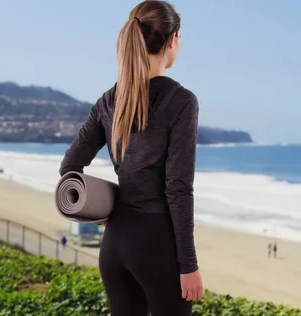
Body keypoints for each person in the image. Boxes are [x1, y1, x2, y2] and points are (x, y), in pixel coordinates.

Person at [57, 1, 202, 315]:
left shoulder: (109, 100)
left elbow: (69, 167)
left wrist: (103, 212)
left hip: (115, 246)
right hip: (156, 246)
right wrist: (188, 265)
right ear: (173, 40)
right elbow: (177, 189)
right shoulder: (181, 102)